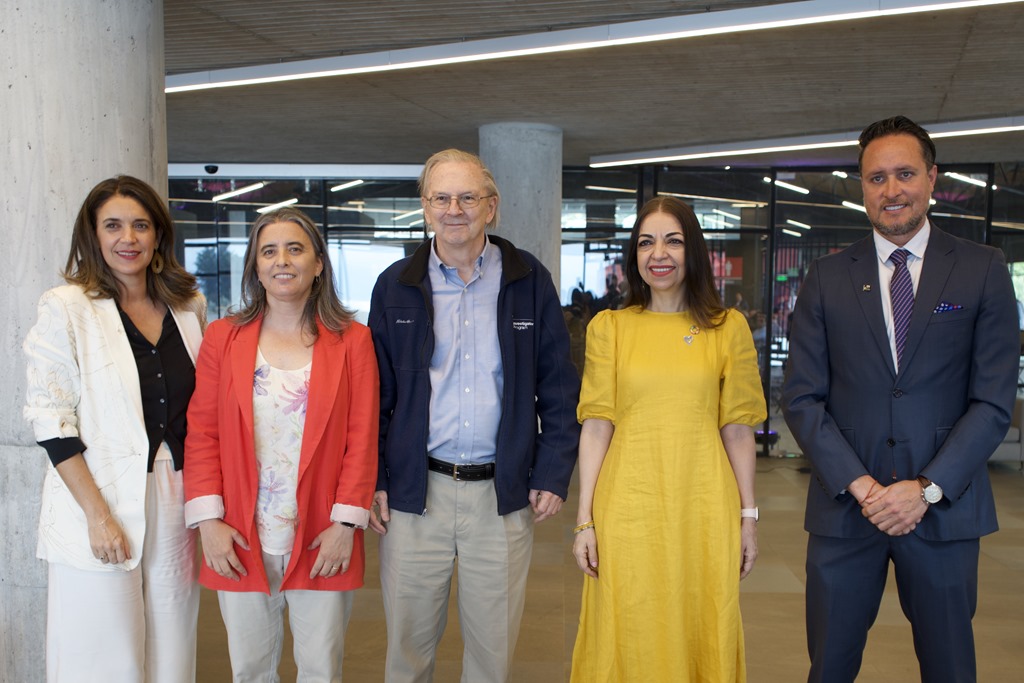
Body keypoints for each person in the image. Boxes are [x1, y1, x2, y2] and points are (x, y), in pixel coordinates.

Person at [782, 115, 1019, 683]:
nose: (892, 190)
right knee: (829, 667)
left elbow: (992, 402)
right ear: (862, 187)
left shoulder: (983, 269)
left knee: (949, 668)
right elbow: (802, 397)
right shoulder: (826, 277)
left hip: (944, 512)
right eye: (877, 177)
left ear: (932, 178)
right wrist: (864, 488)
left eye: (905, 174)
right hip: (847, 511)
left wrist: (926, 489)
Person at [368, 149, 580, 683]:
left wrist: (553, 471)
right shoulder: (395, 285)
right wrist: (376, 479)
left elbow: (558, 386)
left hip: (501, 496)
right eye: (441, 198)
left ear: (492, 206)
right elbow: (376, 394)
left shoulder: (529, 280)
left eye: (468, 197)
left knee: (492, 656)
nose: (454, 209)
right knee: (407, 653)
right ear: (425, 207)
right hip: (416, 495)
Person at [570, 195, 766, 681]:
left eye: (673, 241)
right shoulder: (610, 329)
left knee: (702, 615)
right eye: (646, 243)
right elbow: (597, 425)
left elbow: (738, 429)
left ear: (692, 250)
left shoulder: (728, 328)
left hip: (704, 507)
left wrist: (748, 517)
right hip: (627, 509)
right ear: (634, 255)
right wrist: (584, 521)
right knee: (627, 620)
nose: (658, 254)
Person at [23, 175, 206, 682]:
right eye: (113, 226)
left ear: (158, 234)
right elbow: (51, 418)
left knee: (173, 644)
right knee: (102, 651)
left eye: (141, 225)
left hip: (175, 491)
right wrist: (97, 516)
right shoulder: (66, 306)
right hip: (98, 492)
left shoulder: (188, 307)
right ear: (93, 234)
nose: (129, 238)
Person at [184, 207, 379, 680]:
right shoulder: (222, 338)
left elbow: (362, 437)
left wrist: (345, 525)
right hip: (239, 530)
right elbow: (203, 432)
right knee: (250, 670)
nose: (282, 261)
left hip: (321, 531)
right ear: (256, 266)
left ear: (318, 263)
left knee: (320, 670)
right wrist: (208, 521)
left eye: (295, 249)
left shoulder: (353, 340)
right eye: (269, 251)